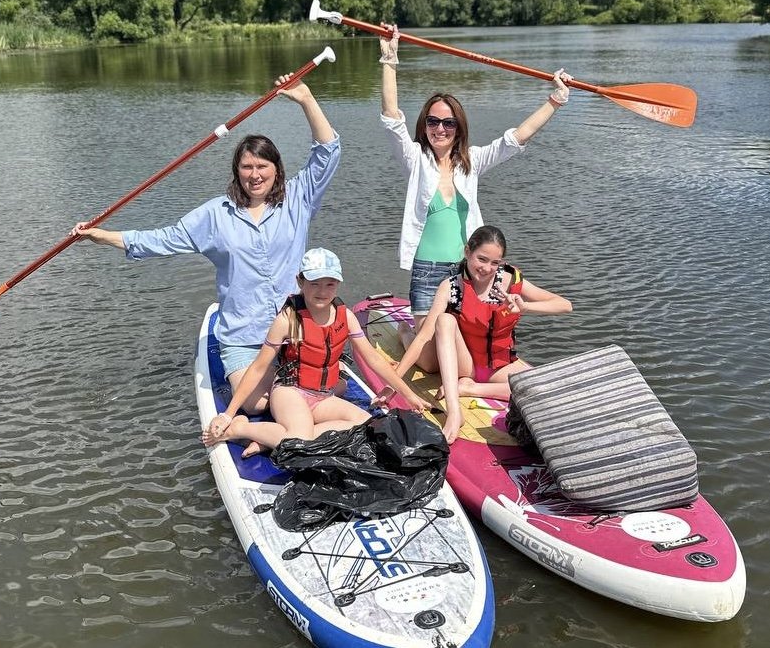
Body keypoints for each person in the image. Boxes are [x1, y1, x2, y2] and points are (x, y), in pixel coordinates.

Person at [72, 73, 339, 416]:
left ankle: (288, 401)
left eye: (262, 166)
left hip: (294, 330)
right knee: (259, 404)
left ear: (277, 169)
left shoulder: (297, 199)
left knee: (298, 397)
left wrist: (305, 98)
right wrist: (101, 235)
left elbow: (327, 152)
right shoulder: (216, 215)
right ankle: (264, 399)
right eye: (246, 167)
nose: (254, 174)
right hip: (244, 335)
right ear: (236, 171)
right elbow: (164, 239)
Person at [378, 24, 573, 373]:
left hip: (464, 270)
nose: (440, 129)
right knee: (431, 363)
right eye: (433, 122)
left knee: (462, 355)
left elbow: (516, 139)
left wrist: (554, 101)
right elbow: (392, 119)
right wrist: (389, 58)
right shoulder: (416, 160)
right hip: (427, 271)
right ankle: (408, 333)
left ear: (459, 128)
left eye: (448, 123)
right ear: (424, 125)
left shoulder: (472, 162)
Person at [201, 248, 431, 454]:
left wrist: (409, 395)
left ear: (338, 284)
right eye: (314, 283)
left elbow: (373, 359)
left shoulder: (346, 316)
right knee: (302, 440)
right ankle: (243, 428)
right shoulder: (287, 320)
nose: (322, 291)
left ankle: (274, 437)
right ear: (300, 282)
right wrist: (228, 414)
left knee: (369, 425)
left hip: (322, 396)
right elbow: (259, 367)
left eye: (330, 284)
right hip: (290, 392)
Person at [394, 226, 572, 444]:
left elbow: (565, 305)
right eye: (482, 259)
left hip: (497, 365)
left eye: (495, 263)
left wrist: (526, 308)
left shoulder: (510, 281)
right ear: (468, 252)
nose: (487, 268)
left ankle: (470, 388)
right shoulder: (450, 286)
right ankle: (405, 333)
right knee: (438, 334)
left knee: (545, 387)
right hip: (462, 363)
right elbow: (425, 337)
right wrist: (392, 383)